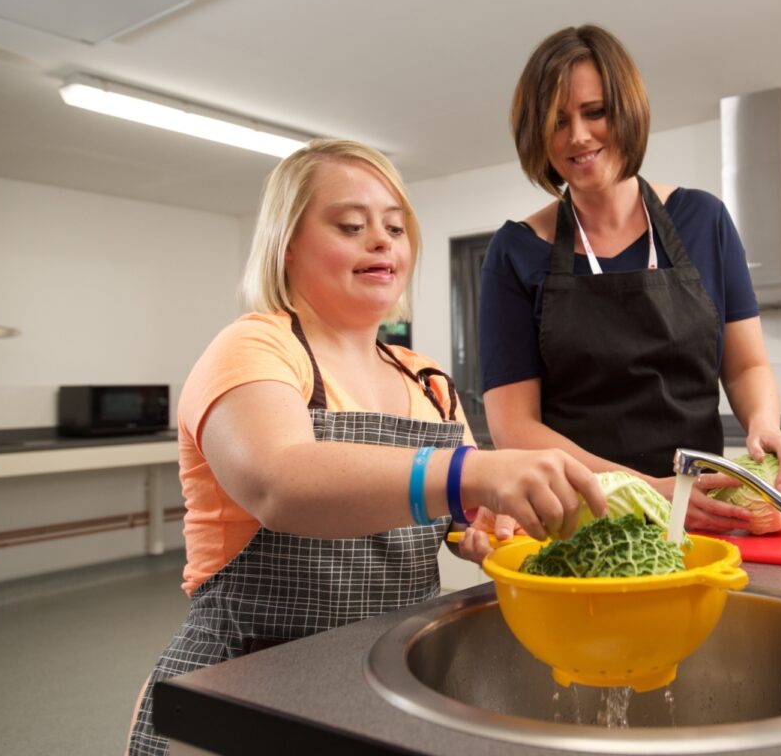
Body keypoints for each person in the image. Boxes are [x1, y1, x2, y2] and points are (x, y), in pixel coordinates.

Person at [127, 139, 603, 755]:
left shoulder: (426, 380)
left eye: (396, 228)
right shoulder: (256, 348)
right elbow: (281, 483)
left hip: (386, 673)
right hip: (246, 685)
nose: (381, 241)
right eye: (351, 226)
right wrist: (472, 474)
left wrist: (485, 525)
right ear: (286, 243)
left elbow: (465, 509)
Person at [478, 24, 781, 531]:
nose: (578, 135)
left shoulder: (703, 219)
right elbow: (514, 428)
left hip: (699, 517)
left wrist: (764, 424)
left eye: (595, 112)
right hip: (581, 521)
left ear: (627, 110)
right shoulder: (516, 251)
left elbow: (746, 366)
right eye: (557, 121)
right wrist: (644, 491)